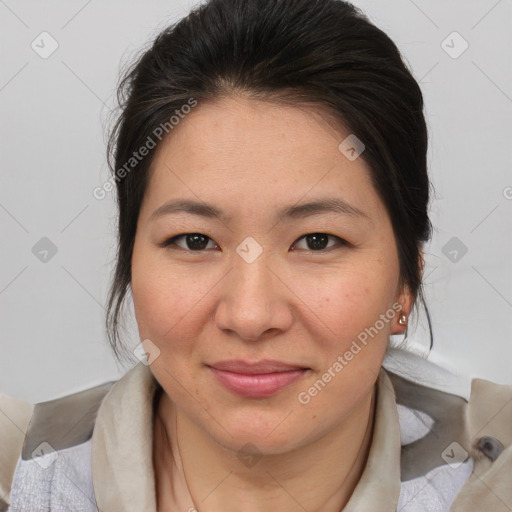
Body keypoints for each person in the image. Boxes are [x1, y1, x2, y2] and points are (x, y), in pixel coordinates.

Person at [1, 0, 511, 511]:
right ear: (131, 262)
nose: (250, 315)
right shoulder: (21, 477)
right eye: (195, 240)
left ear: (407, 282)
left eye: (317, 241)